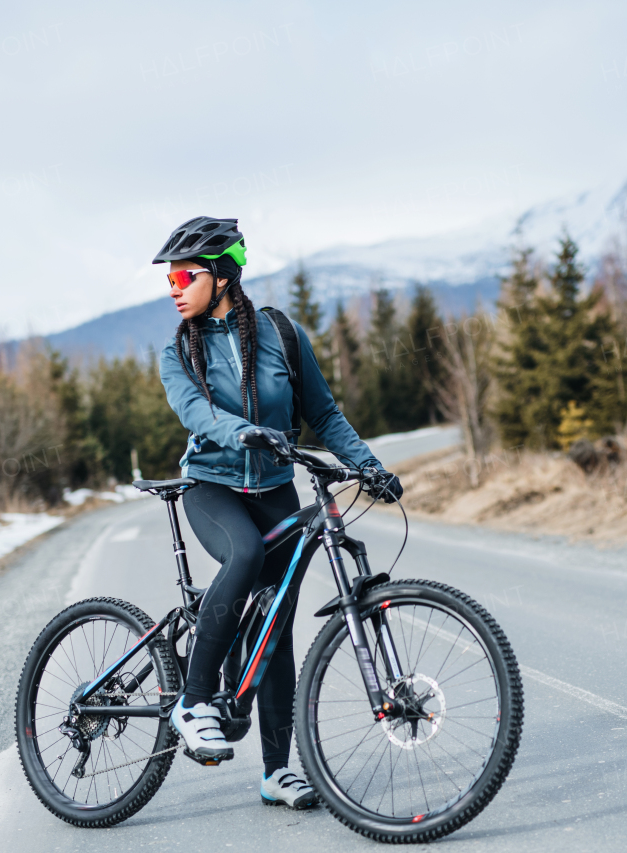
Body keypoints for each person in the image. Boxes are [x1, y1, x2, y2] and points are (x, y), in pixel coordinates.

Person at [155, 216, 402, 810]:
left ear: (220, 276)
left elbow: (324, 412)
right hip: (212, 487)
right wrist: (242, 432)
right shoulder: (175, 351)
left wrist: (369, 467)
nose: (173, 287)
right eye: (169, 278)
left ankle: (276, 771)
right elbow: (195, 412)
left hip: (274, 490)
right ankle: (192, 702)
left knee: (278, 624)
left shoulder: (281, 334)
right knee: (242, 554)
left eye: (184, 275)